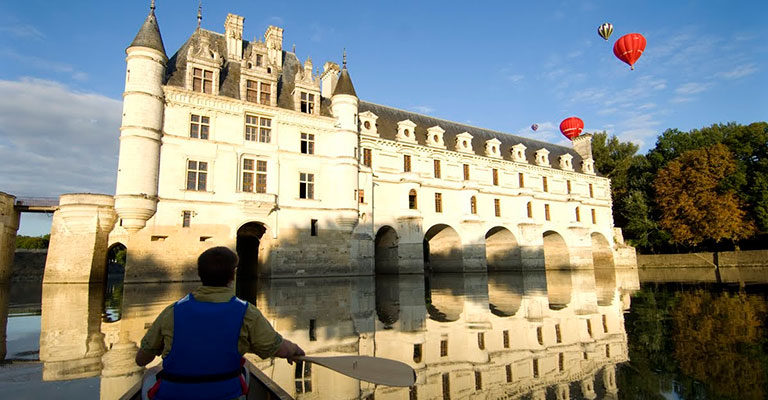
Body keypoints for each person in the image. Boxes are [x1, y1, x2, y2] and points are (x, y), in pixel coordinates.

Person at [135, 246, 305, 399]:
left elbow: (142, 359)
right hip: (225, 394)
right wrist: (293, 349)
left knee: (150, 375)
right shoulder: (246, 312)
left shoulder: (172, 311)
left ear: (200, 274)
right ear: (232, 275)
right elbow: (277, 348)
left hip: (175, 394)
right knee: (244, 368)